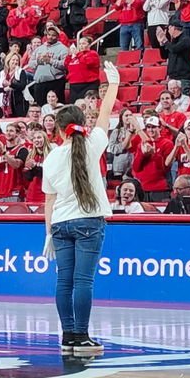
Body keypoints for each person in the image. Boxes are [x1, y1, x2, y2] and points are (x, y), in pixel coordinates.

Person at [42, 58, 120, 357]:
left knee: (64, 280)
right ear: (80, 124)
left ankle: (68, 336)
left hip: (60, 224)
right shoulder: (92, 144)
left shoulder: (50, 158)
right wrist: (112, 84)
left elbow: (48, 201)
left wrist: (48, 233)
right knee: (83, 281)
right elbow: (104, 114)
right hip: (89, 221)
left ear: (59, 130)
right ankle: (82, 337)